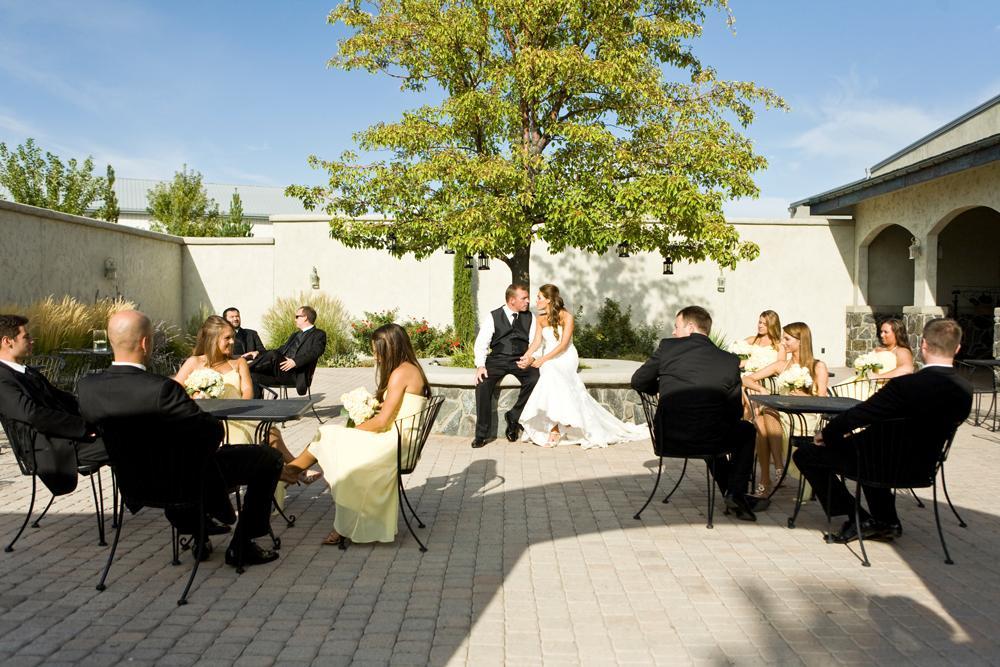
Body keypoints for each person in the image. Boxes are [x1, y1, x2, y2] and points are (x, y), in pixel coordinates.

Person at [78, 310, 283, 568]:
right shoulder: (161, 389)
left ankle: (200, 529)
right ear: (146, 343)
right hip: (183, 484)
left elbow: (90, 430)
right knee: (269, 458)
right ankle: (241, 545)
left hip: (134, 485)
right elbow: (212, 433)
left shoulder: (87, 387)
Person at [794, 318, 972, 543]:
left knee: (806, 454)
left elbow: (861, 414)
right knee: (873, 449)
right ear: (957, 348)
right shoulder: (965, 390)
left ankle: (859, 518)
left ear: (924, 345)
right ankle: (887, 521)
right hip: (924, 466)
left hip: (880, 463)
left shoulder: (905, 386)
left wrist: (827, 434)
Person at [281, 323, 431, 546]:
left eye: (377, 351)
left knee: (329, 434)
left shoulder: (400, 373)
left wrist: (351, 432)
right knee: (329, 436)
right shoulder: (410, 368)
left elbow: (382, 421)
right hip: (401, 438)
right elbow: (391, 411)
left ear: (391, 348)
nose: (375, 356)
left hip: (397, 443)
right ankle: (293, 472)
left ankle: (291, 471)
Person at [631, 306, 762, 520]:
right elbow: (734, 412)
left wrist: (661, 387)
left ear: (690, 327)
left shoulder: (668, 348)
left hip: (668, 438)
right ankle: (736, 492)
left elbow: (638, 381)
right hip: (711, 439)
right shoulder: (729, 360)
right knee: (746, 430)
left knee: (711, 434)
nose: (673, 332)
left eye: (676, 326)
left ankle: (733, 493)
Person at [518, 284, 647, 448]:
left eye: (539, 297)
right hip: (550, 356)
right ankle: (558, 424)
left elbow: (563, 345)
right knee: (550, 372)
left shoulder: (567, 317)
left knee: (550, 369)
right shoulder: (540, 319)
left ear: (549, 300)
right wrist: (526, 357)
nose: (536, 300)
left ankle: (555, 428)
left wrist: (543, 359)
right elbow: (536, 342)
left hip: (565, 356)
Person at [0, 314, 108, 495]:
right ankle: (140, 499)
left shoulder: (27, 372)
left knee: (125, 433)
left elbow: (63, 399)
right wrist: (84, 427)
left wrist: (101, 412)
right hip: (51, 450)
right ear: (7, 341)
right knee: (124, 443)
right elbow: (34, 415)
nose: (32, 341)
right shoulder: (2, 379)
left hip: (68, 439)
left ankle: (135, 499)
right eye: (26, 337)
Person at [174, 316, 300, 468]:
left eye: (233, 337)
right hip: (206, 421)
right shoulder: (194, 362)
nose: (233, 342)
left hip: (237, 416)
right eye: (227, 338)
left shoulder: (239, 362)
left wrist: (239, 410)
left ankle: (295, 468)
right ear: (212, 339)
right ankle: (289, 471)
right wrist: (195, 396)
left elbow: (247, 390)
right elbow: (174, 390)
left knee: (269, 429)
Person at [742, 321, 829, 497]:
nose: (783, 343)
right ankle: (775, 471)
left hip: (804, 418)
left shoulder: (818, 366)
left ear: (801, 341)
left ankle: (768, 480)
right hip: (781, 415)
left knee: (763, 418)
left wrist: (802, 395)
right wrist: (761, 389)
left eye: (787, 339)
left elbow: (822, 400)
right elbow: (746, 379)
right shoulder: (781, 365)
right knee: (763, 417)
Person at [470, 283, 540, 448]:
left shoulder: (531, 317)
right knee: (482, 383)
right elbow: (481, 343)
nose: (528, 301)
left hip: (521, 359)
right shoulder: (493, 316)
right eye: (524, 298)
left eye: (528, 298)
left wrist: (531, 358)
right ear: (512, 300)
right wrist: (480, 365)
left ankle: (513, 417)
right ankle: (481, 434)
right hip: (497, 360)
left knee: (535, 379)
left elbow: (536, 343)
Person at [250, 305, 327, 398]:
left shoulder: (319, 334)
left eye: (297, 317)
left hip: (296, 374)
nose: (295, 319)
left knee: (273, 355)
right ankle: (257, 406)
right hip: (281, 370)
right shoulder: (295, 335)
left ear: (305, 318)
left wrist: (295, 361)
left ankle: (245, 367)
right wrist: (258, 353)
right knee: (252, 375)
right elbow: (280, 350)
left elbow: (316, 352)